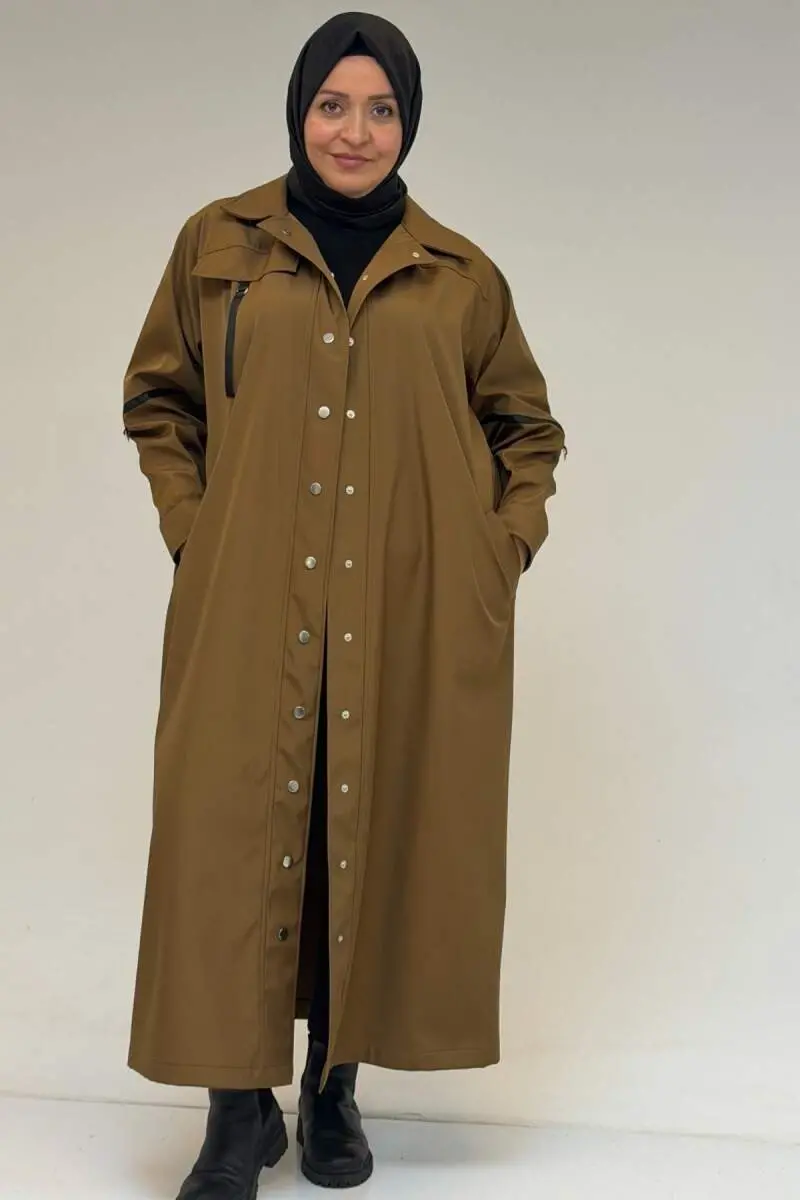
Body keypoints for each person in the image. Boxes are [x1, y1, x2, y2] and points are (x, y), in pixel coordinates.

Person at [122, 10, 566, 1197]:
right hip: (245, 603)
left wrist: (497, 553)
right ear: (298, 112)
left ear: (407, 124)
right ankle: (234, 1111)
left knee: (360, 822)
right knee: (229, 830)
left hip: (408, 610)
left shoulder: (458, 275)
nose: (354, 132)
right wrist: (197, 530)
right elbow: (160, 401)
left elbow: (524, 429)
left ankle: (331, 1088)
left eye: (380, 110)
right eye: (333, 105)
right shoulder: (216, 245)